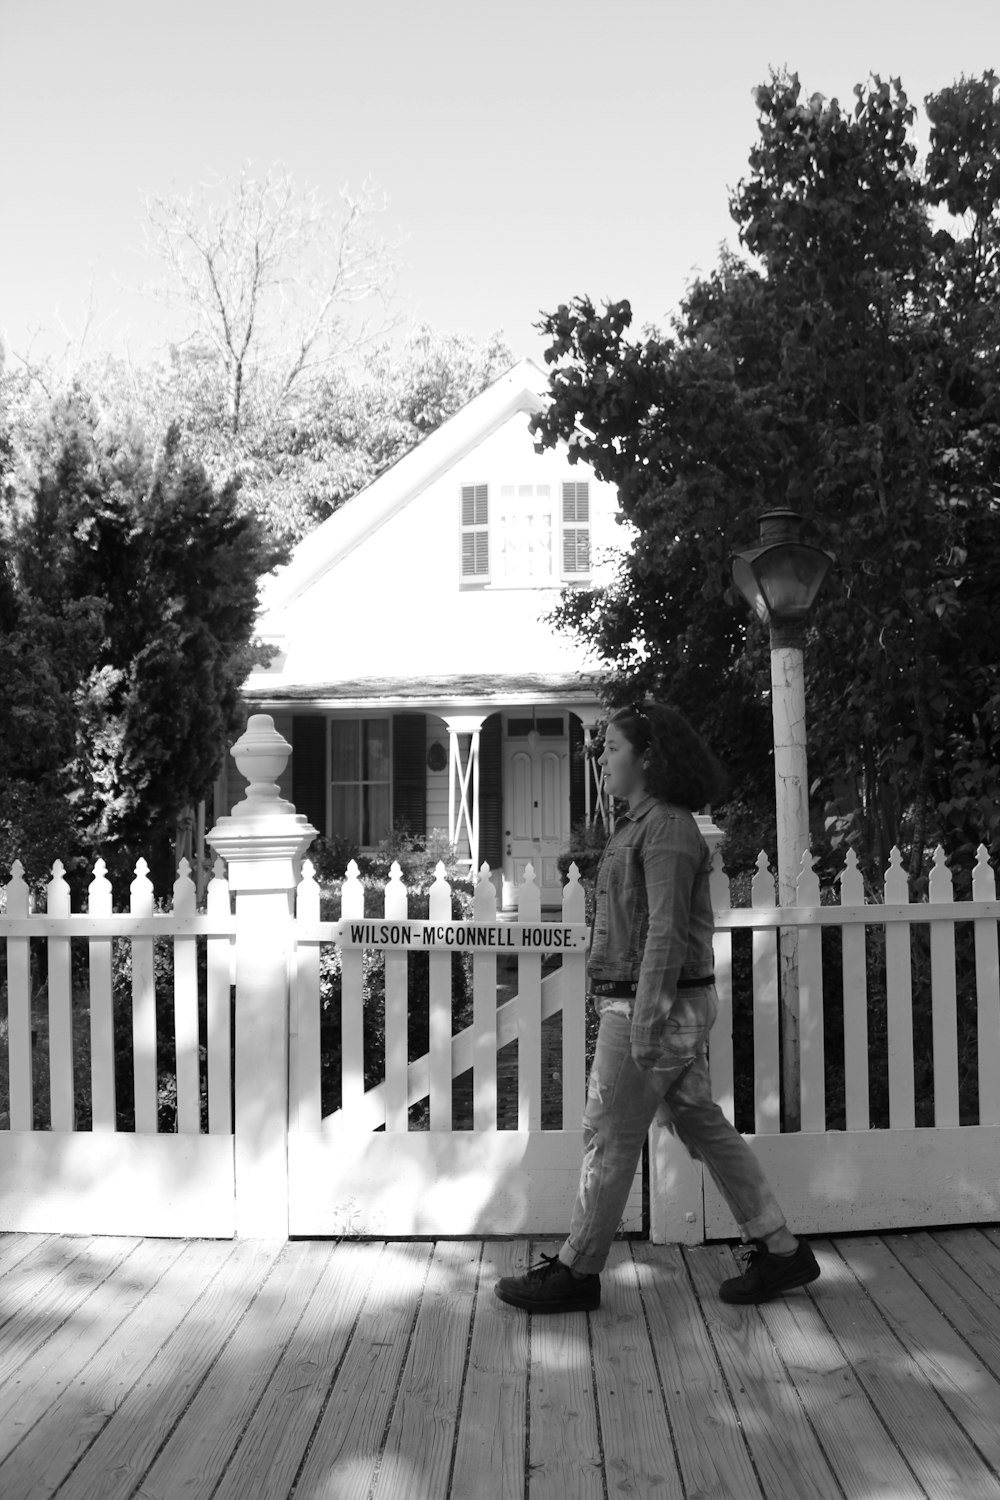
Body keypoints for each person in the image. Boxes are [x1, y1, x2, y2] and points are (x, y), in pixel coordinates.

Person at [494, 701, 820, 1314]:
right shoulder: (640, 824)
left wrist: (645, 1017)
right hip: (664, 1005)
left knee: (609, 1135)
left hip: (657, 1009)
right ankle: (781, 1249)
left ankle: (578, 1268)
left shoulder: (666, 828)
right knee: (700, 1122)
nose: (602, 759)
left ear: (648, 758)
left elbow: (666, 932)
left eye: (613, 748)